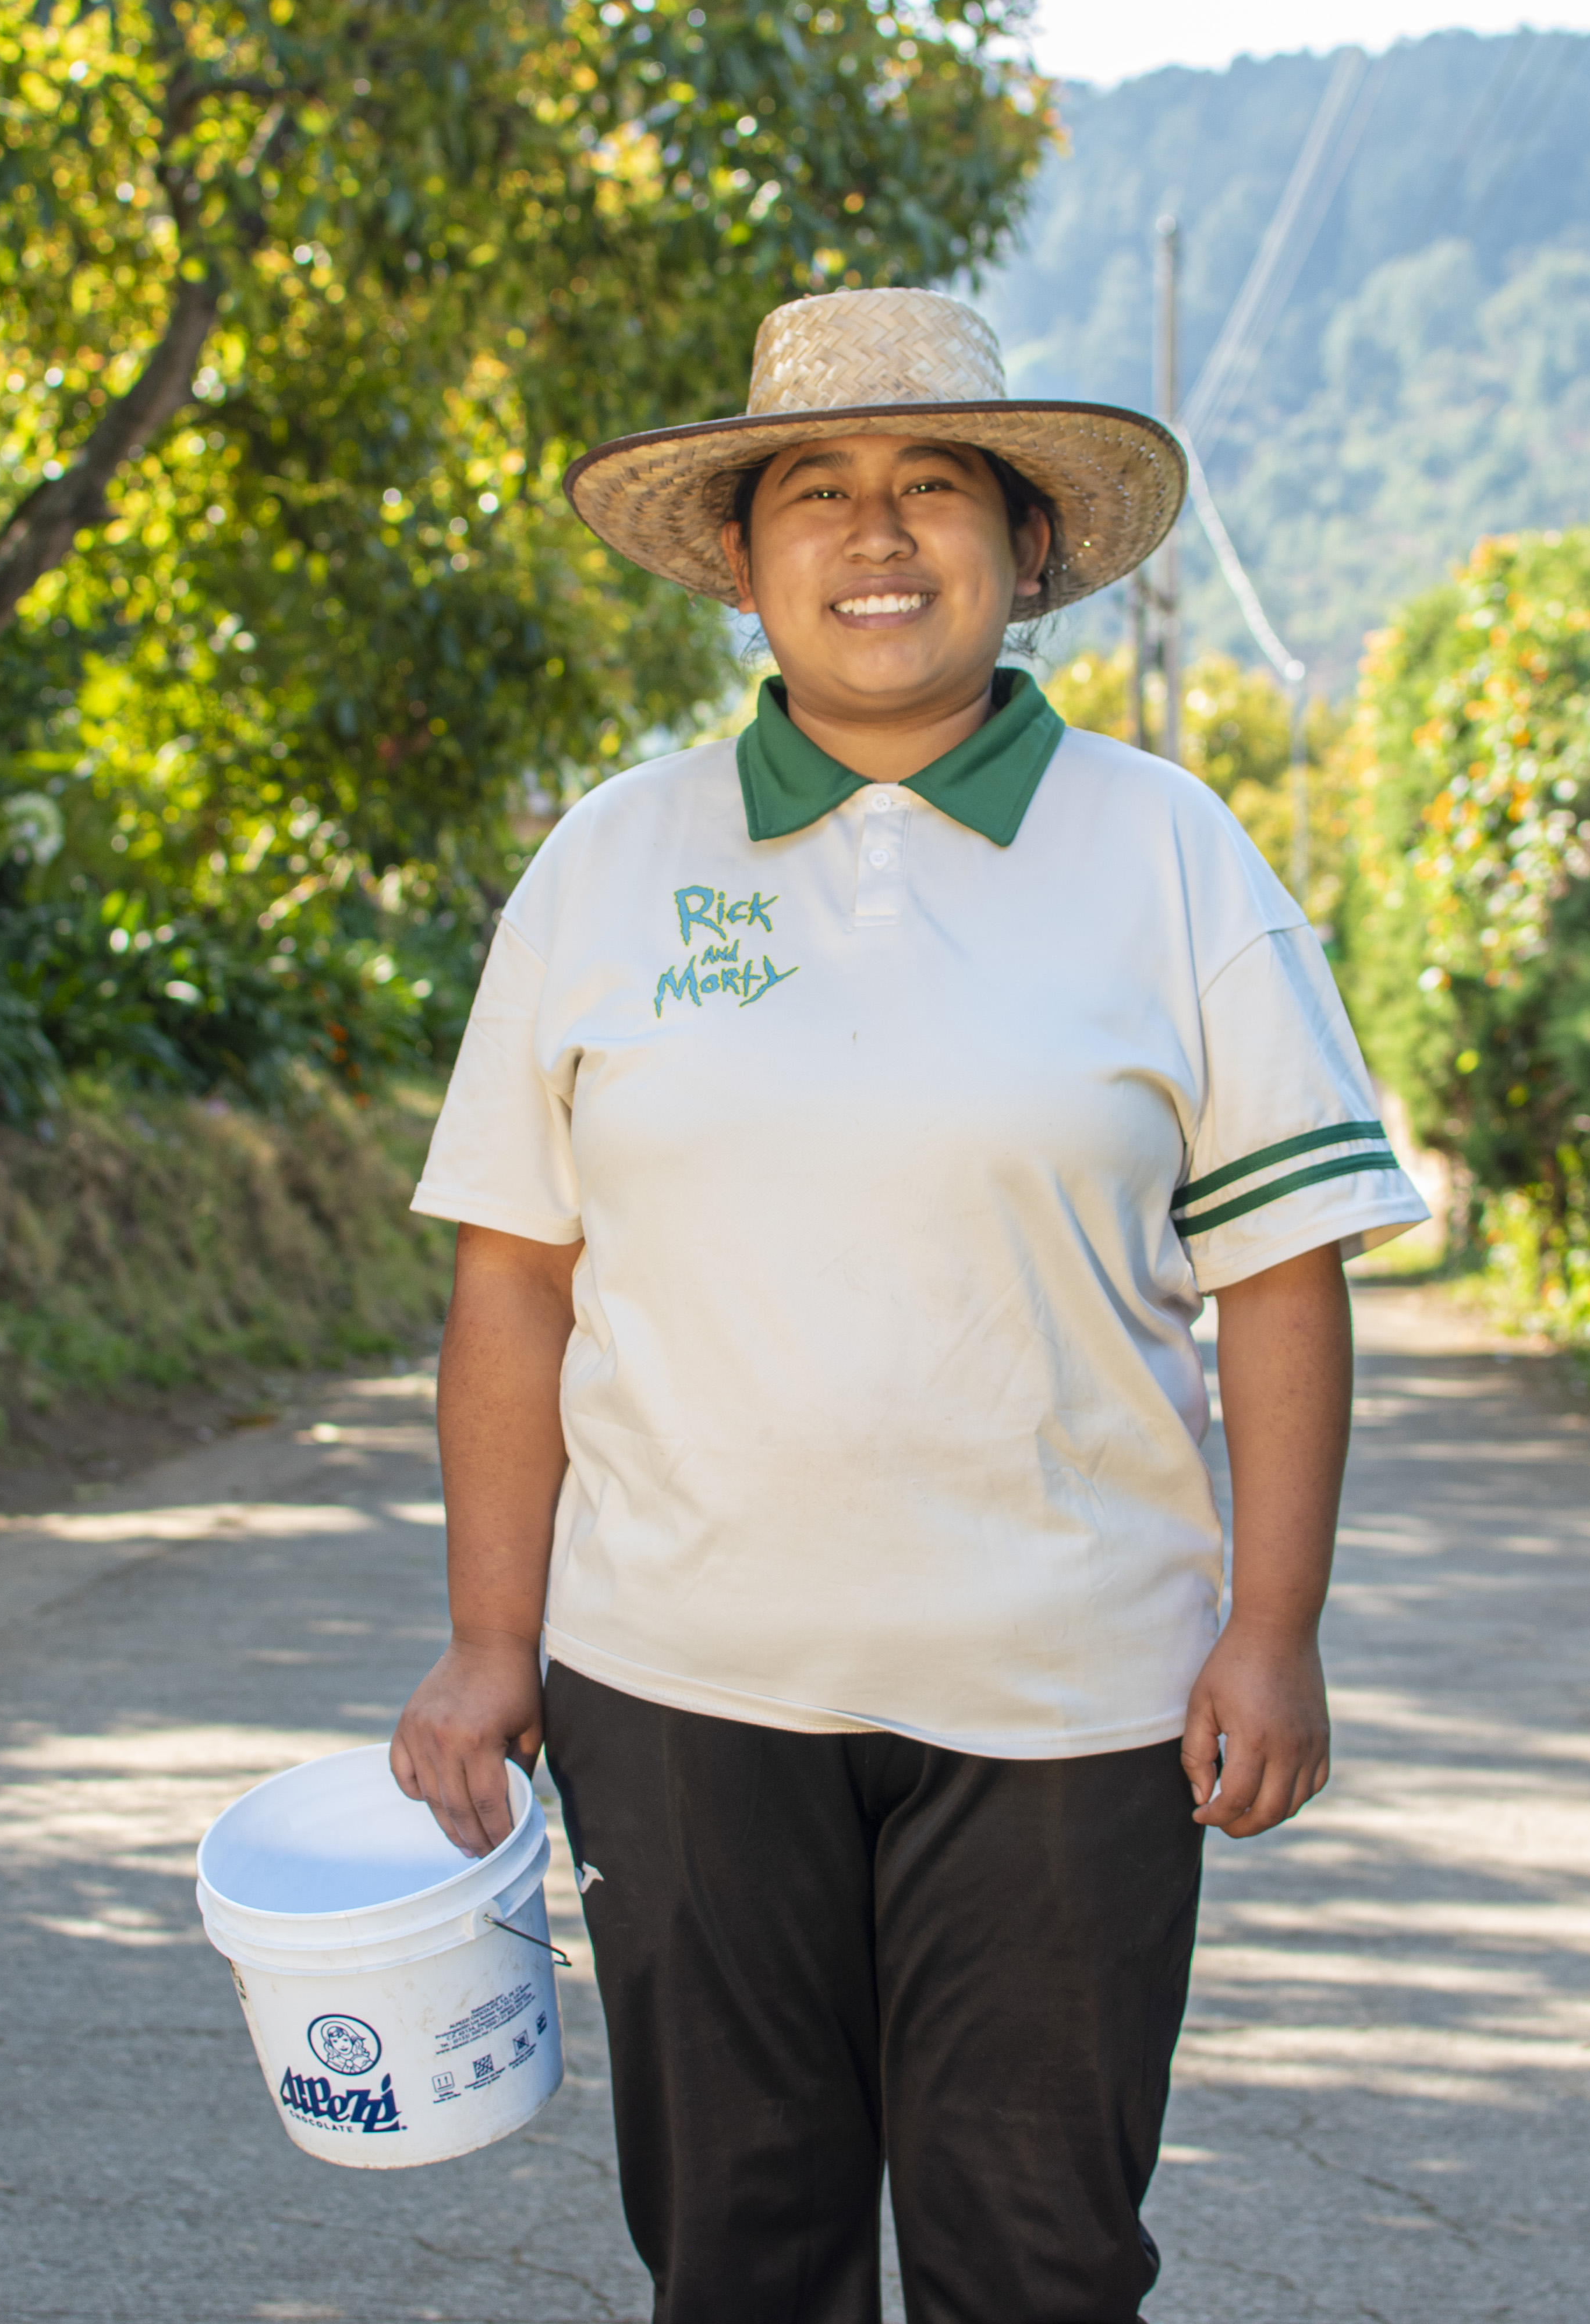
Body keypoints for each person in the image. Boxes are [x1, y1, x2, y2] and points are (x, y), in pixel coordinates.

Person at [391, 286, 1429, 2324]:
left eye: (933, 486)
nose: (877, 536)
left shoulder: (1172, 856)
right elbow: (514, 1285)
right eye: (818, 496)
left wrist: (1275, 1629)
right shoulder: (608, 866)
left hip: (1075, 1700)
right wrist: (485, 1645)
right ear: (744, 561)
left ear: (1029, 549)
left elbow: (1282, 1275)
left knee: (1040, 2266)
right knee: (738, 2260)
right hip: (677, 1691)